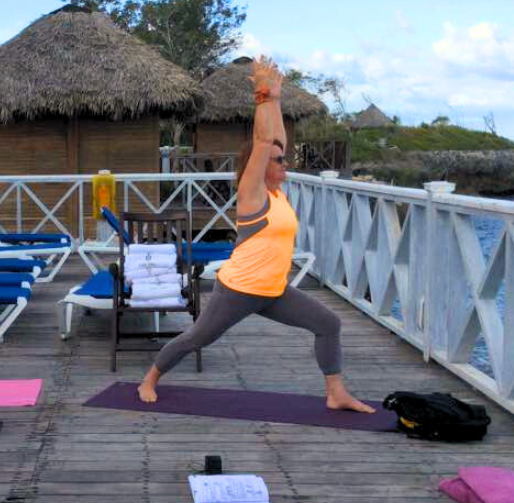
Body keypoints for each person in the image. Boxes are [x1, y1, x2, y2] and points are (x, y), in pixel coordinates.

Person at [137, 57, 375, 415]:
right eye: (278, 161)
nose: (285, 163)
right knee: (197, 338)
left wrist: (276, 99)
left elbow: (275, 139)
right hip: (239, 290)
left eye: (284, 159)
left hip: (274, 291)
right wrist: (262, 97)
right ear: (260, 166)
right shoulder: (252, 194)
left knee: (329, 324)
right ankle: (150, 379)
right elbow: (264, 140)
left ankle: (336, 393)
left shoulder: (278, 195)